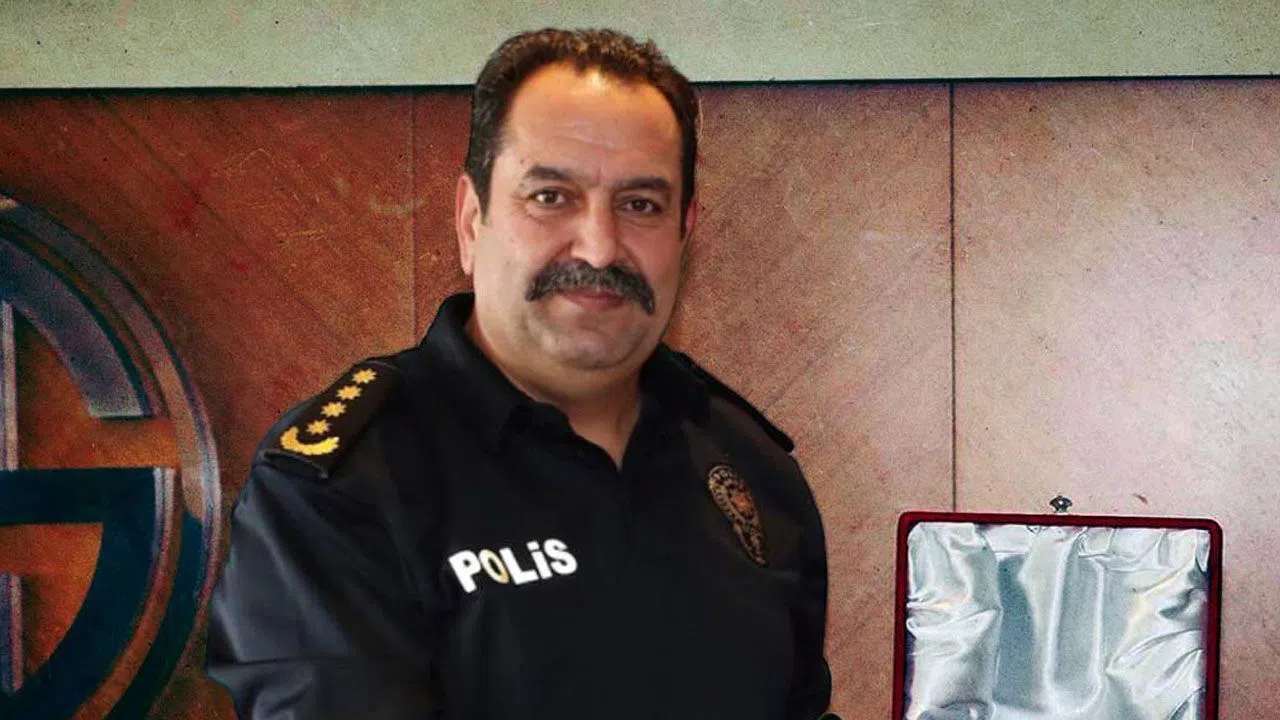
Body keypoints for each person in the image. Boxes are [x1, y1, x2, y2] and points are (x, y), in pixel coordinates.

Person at [207, 27, 837, 720]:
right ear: (470, 220)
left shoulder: (753, 471)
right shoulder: (341, 489)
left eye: (640, 205)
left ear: (685, 231)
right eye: (551, 197)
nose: (598, 248)